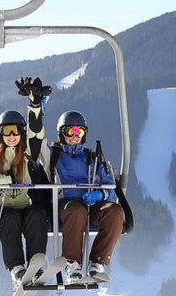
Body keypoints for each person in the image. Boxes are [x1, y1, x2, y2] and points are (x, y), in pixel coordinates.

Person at [0, 107, 48, 284]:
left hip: (23, 203)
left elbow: (36, 134)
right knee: (9, 217)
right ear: (0, 133)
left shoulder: (26, 153)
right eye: (7, 131)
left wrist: (35, 106)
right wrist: (5, 179)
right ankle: (17, 268)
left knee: (37, 215)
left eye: (16, 130)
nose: (12, 135)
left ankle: (34, 264)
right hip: (1, 207)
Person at [47, 108, 121, 281]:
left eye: (79, 131)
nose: (74, 136)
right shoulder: (52, 155)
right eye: (69, 131)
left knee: (115, 212)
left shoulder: (92, 157)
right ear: (60, 132)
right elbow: (34, 144)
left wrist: (100, 195)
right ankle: (72, 263)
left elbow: (109, 185)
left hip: (89, 203)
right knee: (76, 210)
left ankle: (98, 262)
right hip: (64, 203)